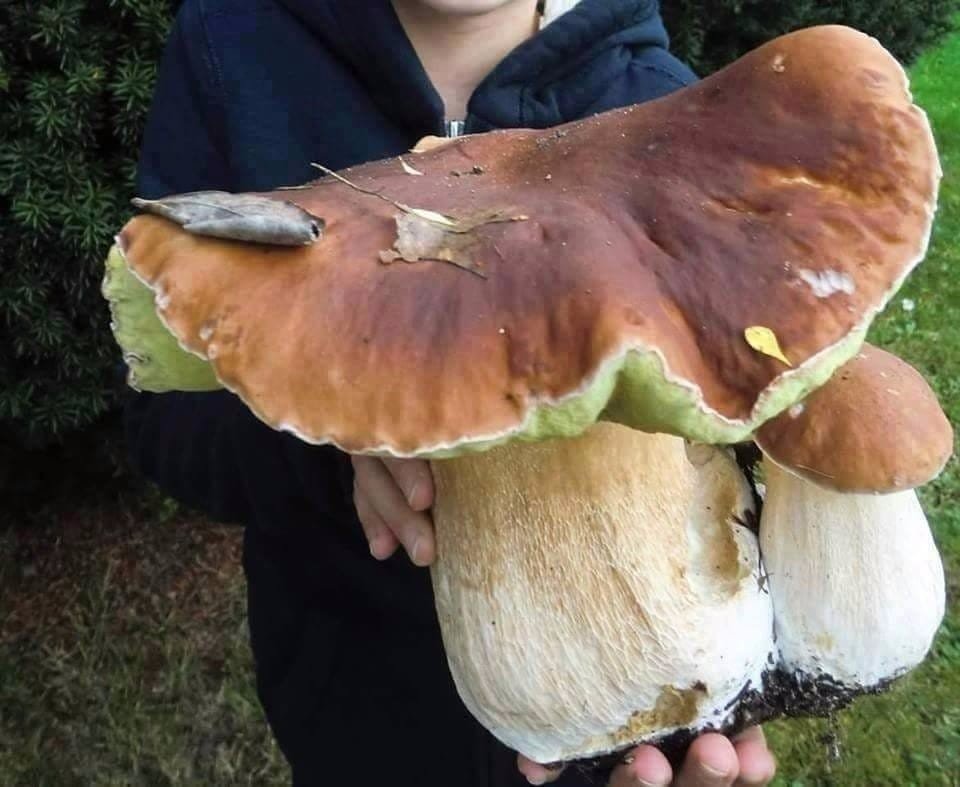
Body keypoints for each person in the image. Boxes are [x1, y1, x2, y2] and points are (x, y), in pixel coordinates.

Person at [129, 1, 778, 785]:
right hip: (354, 705)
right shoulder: (230, 46)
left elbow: (741, 403)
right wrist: (330, 437)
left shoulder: (663, 106)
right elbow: (163, 410)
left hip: (622, 688)